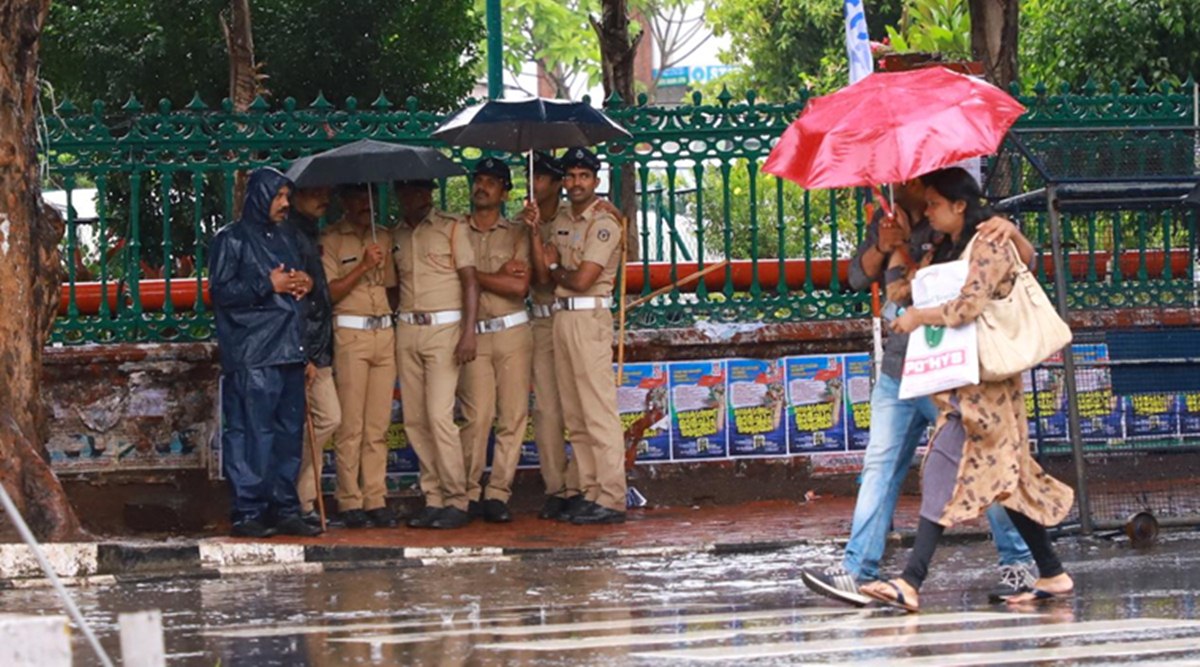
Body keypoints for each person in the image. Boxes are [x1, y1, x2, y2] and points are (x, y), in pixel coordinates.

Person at [801, 173, 1040, 606]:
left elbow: (1014, 265)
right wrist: (886, 244)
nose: (896, 184)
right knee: (880, 464)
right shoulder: (887, 219)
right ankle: (859, 570)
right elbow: (862, 278)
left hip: (949, 371)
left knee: (985, 466)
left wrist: (1014, 232)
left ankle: (1022, 564)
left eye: (904, 180)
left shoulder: (952, 224)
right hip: (900, 369)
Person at [857, 166, 1076, 611]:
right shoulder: (949, 246)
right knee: (1006, 481)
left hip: (986, 392)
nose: (929, 212)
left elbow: (965, 307)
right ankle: (1052, 572)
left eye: (936, 205)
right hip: (968, 387)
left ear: (960, 205)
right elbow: (913, 288)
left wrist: (919, 317)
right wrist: (899, 254)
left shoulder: (989, 241)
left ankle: (911, 580)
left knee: (943, 470)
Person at [209, 167, 319, 538]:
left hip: (288, 348)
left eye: (287, 196)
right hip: (253, 351)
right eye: (279, 196)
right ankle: (249, 511)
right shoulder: (232, 239)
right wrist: (265, 283)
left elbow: (301, 282)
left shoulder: (289, 237)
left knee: (288, 435)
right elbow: (221, 293)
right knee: (252, 433)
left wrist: (304, 283)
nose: (286, 204)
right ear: (259, 197)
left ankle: (284, 507)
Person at [528, 147, 627, 525]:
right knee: (575, 413)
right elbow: (545, 272)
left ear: (595, 181)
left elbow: (582, 279)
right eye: (569, 177)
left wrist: (555, 266)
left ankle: (612, 495)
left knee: (597, 411)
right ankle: (589, 491)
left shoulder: (604, 222)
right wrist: (537, 233)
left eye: (583, 176)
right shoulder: (564, 219)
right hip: (561, 317)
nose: (575, 183)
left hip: (588, 318)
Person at [393, 180, 480, 530]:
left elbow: (470, 281)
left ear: (429, 192)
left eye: (421, 189)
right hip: (407, 329)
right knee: (414, 418)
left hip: (445, 328)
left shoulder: (452, 227)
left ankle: (457, 499)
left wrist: (468, 331)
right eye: (408, 190)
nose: (415, 195)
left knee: (439, 416)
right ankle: (433, 498)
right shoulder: (395, 235)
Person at [457, 158, 533, 523]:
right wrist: (491, 277)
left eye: (491, 181)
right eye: (478, 179)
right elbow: (450, 280)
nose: (482, 187)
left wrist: (472, 276)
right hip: (474, 334)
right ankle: (469, 492)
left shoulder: (518, 232)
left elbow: (519, 286)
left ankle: (498, 493)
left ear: (505, 191)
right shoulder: (456, 231)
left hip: (513, 331)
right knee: (476, 416)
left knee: (513, 416)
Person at [321, 184, 399, 529]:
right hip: (350, 332)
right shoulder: (332, 239)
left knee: (378, 425)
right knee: (351, 425)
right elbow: (328, 292)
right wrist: (363, 265)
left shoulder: (383, 236)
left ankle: (375, 498)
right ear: (344, 200)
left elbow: (393, 288)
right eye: (355, 197)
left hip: (383, 332)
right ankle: (349, 499)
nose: (363, 204)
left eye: (367, 197)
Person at [524, 152, 581, 520]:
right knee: (546, 411)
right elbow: (529, 278)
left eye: (541, 178)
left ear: (557, 183)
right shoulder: (520, 222)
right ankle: (556, 488)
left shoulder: (569, 219)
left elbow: (551, 274)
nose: (534, 185)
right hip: (540, 320)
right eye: (531, 177)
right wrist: (529, 232)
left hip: (571, 315)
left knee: (577, 406)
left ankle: (580, 486)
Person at [286, 185, 340, 529]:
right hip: (304, 348)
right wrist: (303, 352)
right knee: (327, 418)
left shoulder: (308, 233)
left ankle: (302, 499)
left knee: (327, 420)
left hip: (319, 344)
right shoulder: (289, 236)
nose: (324, 197)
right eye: (313, 192)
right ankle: (297, 497)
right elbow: (296, 301)